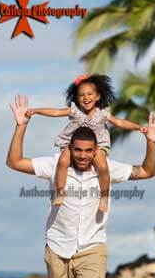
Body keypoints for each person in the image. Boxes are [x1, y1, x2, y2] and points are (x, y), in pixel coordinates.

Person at [6, 95, 155, 278]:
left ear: (96, 150)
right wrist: (21, 125)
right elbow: (14, 162)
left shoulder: (108, 168)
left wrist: (150, 142)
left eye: (88, 151)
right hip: (58, 247)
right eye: (77, 150)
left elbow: (147, 171)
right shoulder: (56, 165)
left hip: (93, 247)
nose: (82, 155)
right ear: (70, 148)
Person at [25, 74, 147, 213]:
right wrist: (36, 111)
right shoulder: (74, 111)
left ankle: (105, 197)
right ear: (77, 98)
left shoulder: (102, 113)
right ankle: (60, 191)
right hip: (73, 143)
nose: (86, 97)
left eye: (89, 94)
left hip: (98, 144)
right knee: (63, 161)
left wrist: (138, 127)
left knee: (102, 165)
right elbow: (55, 112)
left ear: (98, 96)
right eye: (81, 95)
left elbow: (119, 122)